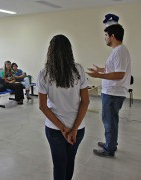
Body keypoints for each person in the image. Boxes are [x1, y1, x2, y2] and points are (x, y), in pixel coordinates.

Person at [37, 34, 89, 180]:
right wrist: (73, 129)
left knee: (59, 164)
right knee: (70, 161)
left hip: (54, 129)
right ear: (69, 51)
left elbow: (42, 106)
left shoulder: (44, 74)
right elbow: (85, 102)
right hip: (78, 128)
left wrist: (63, 128)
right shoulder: (79, 70)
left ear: (50, 52)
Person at [87, 24, 131, 157]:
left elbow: (119, 74)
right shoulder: (117, 51)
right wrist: (100, 70)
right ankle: (110, 143)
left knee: (109, 120)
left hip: (113, 93)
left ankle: (109, 149)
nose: (104, 38)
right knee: (110, 120)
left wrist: (98, 75)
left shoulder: (120, 51)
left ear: (112, 36)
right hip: (111, 92)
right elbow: (113, 70)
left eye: (106, 35)